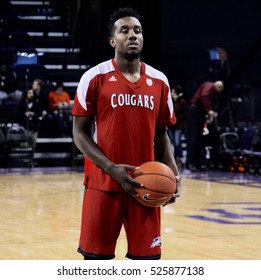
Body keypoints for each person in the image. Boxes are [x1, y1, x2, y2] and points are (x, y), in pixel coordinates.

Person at [72, 7, 181, 260]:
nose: (132, 35)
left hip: (147, 185)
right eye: (124, 30)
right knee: (96, 262)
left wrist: (173, 172)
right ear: (113, 40)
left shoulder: (160, 81)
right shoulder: (93, 77)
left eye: (137, 30)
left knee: (147, 262)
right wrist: (111, 167)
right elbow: (79, 134)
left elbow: (161, 133)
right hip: (103, 184)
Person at [185, 80, 224, 172]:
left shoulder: (209, 87)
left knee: (199, 139)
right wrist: (209, 109)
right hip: (194, 112)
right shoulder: (210, 86)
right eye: (219, 90)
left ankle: (197, 164)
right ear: (219, 87)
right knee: (193, 139)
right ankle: (190, 163)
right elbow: (204, 95)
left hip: (199, 113)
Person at [167, 85, 187, 167]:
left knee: (177, 142)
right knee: (172, 142)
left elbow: (185, 114)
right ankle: (174, 159)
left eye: (173, 91)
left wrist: (175, 118)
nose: (171, 93)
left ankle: (180, 158)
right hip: (171, 125)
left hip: (178, 125)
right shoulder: (170, 101)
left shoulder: (182, 102)